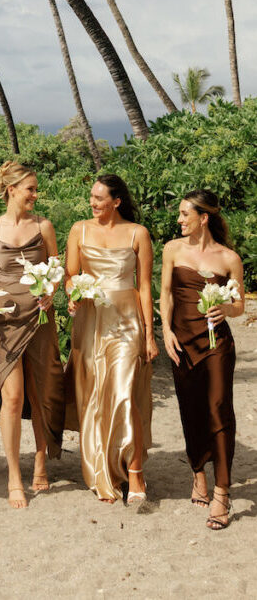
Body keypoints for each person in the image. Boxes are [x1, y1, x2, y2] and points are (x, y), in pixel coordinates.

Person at [0, 162, 66, 508]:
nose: (35, 194)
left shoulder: (44, 226)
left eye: (35, 188)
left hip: (40, 317)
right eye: (30, 188)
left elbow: (57, 267)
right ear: (11, 189)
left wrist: (51, 291)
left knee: (41, 391)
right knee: (12, 398)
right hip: (5, 322)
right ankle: (14, 475)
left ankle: (40, 459)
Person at [65, 174, 157, 503]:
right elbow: (71, 274)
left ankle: (135, 473)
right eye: (91, 196)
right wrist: (72, 293)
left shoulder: (138, 233)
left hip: (127, 321)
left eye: (99, 198)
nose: (92, 203)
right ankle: (103, 470)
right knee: (94, 396)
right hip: (90, 321)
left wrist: (149, 334)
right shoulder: (79, 230)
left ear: (116, 202)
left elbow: (145, 287)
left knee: (125, 392)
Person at [160, 190, 244, 530]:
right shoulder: (171, 250)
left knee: (219, 408)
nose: (179, 220)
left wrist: (225, 308)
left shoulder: (229, 258)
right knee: (191, 408)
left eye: (184, 214)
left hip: (217, 344)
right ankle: (198, 472)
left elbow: (239, 305)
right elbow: (165, 294)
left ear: (203, 218)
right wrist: (165, 330)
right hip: (181, 340)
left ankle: (222, 491)